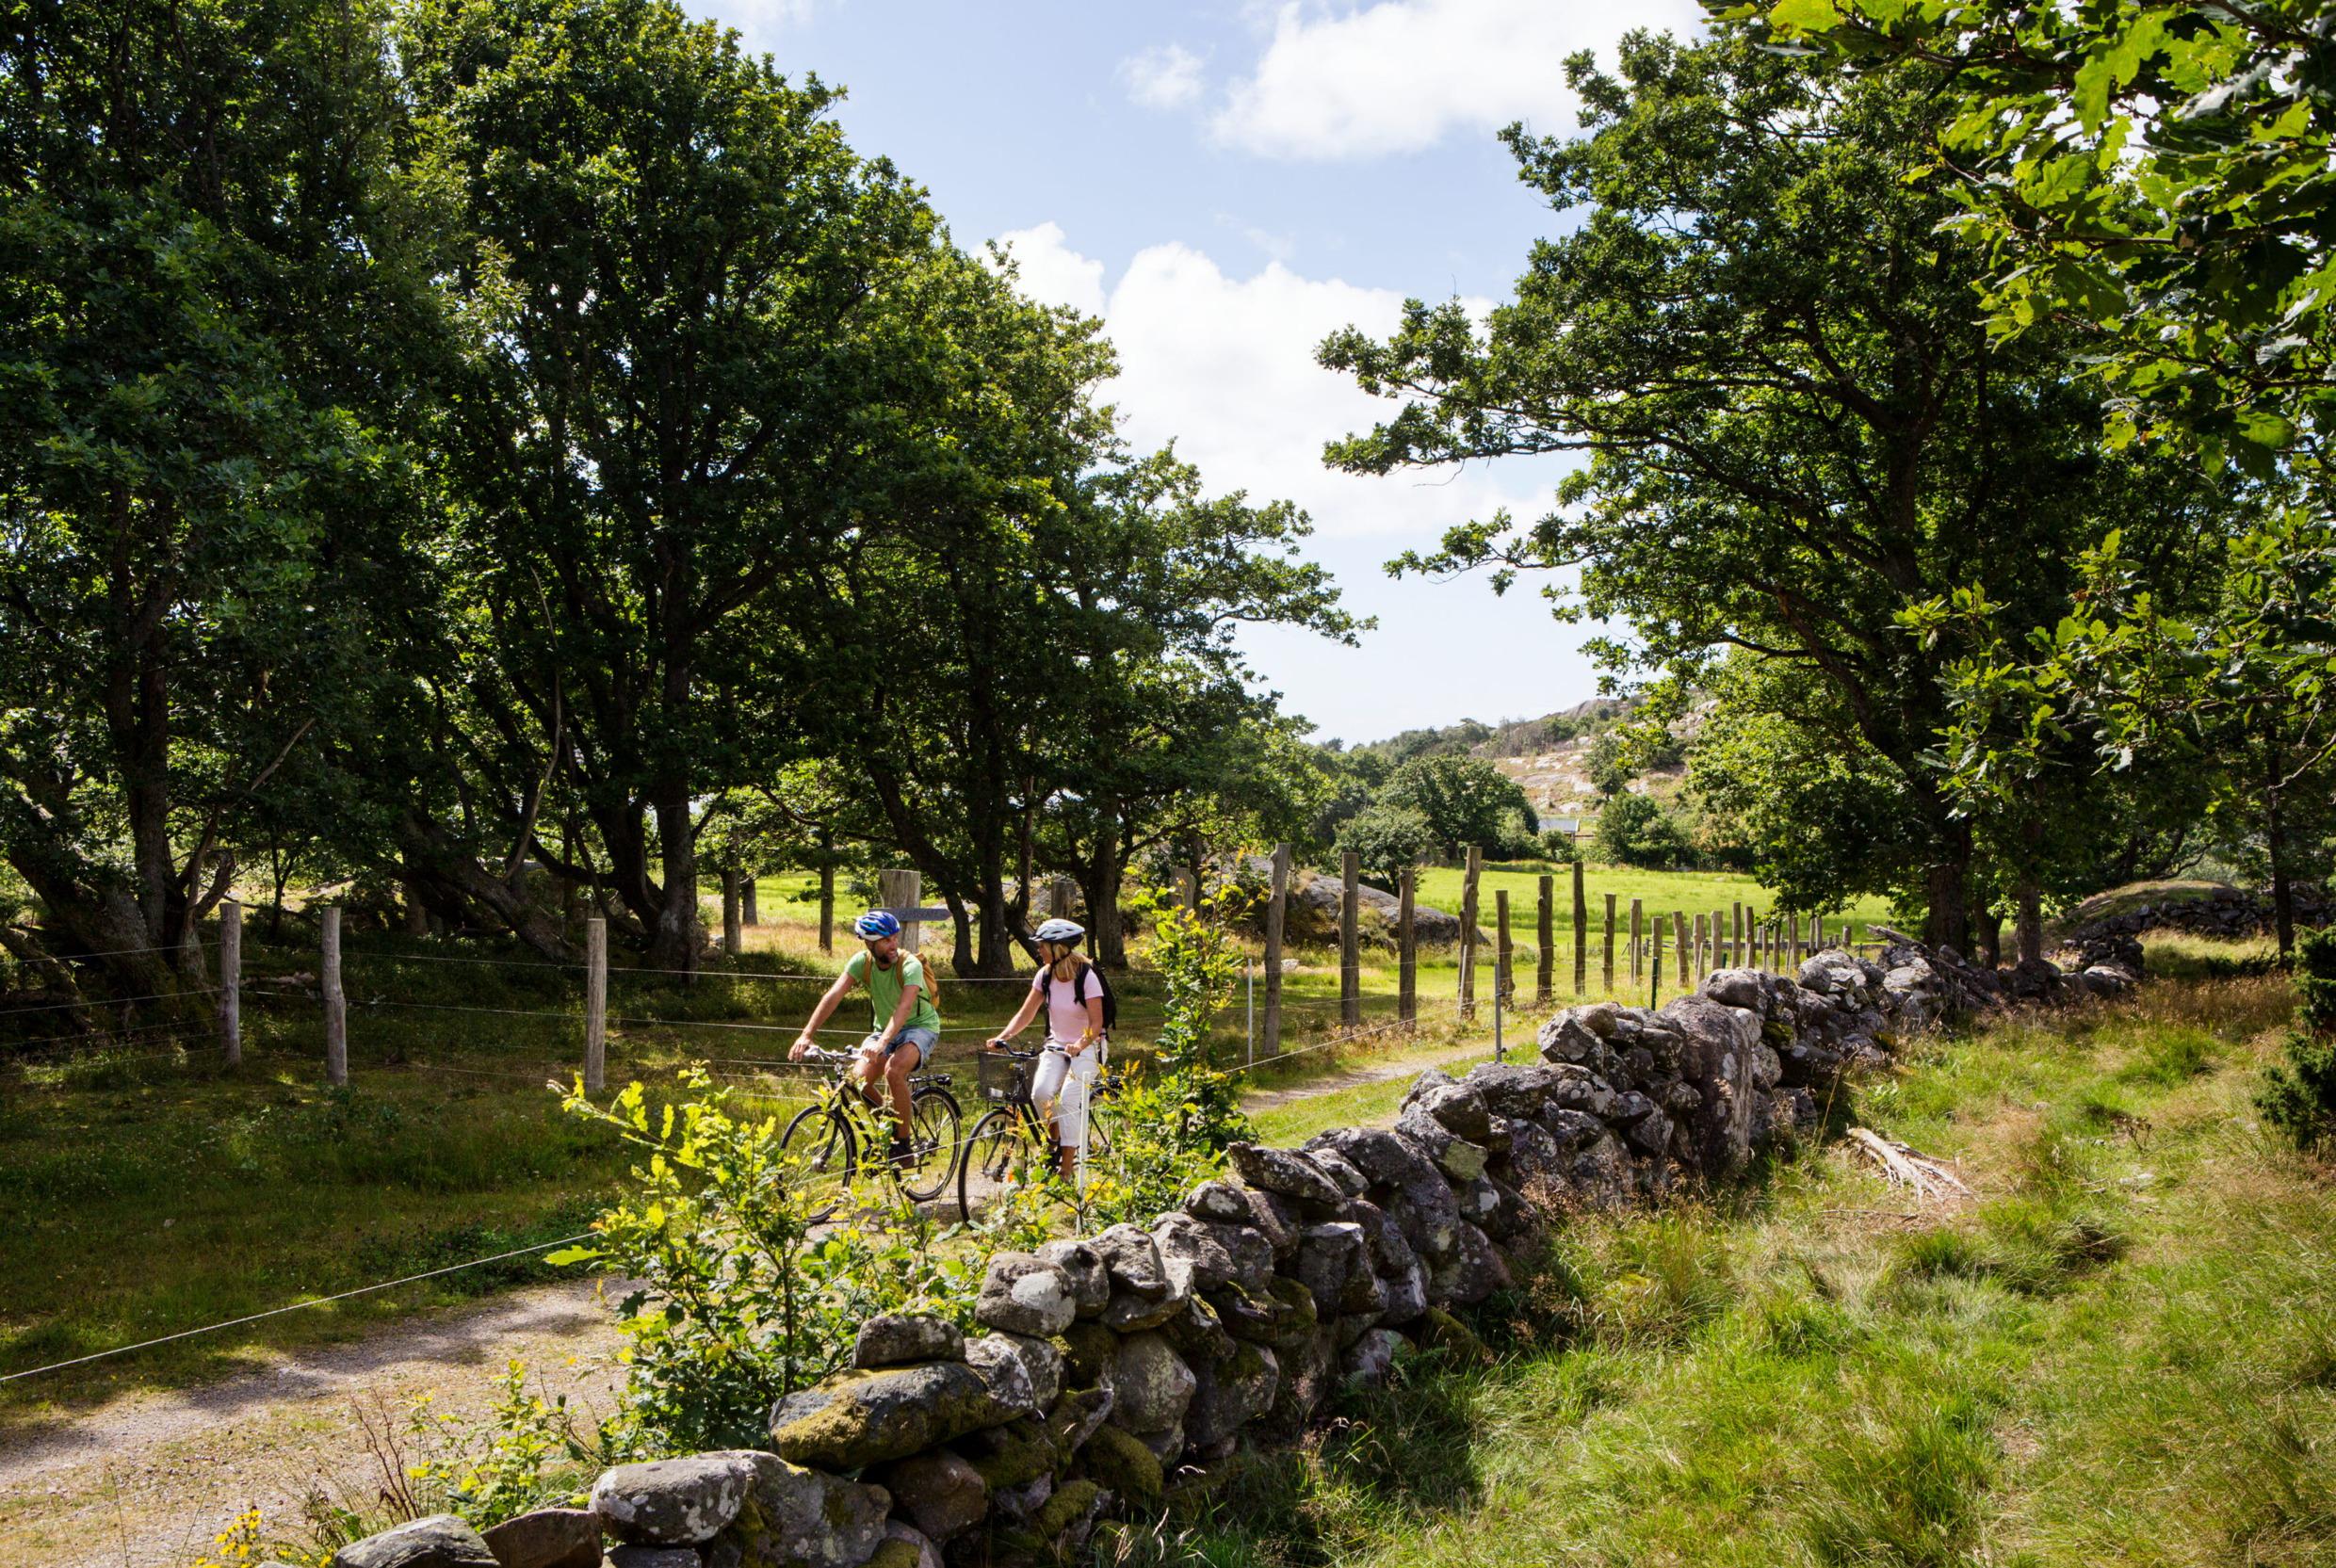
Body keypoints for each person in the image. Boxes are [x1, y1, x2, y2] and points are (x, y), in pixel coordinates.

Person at [790, 910, 940, 1165]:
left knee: (894, 1070)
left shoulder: (910, 964)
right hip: (883, 1030)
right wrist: (806, 1034)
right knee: (857, 1081)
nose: (893, 945)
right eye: (886, 941)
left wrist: (883, 1044)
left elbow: (904, 1009)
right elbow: (833, 996)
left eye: (895, 938)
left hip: (920, 1027)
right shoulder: (862, 963)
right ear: (869, 943)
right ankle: (890, 1125)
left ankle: (903, 1147)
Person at [984, 917, 1107, 1179]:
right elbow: (1026, 1013)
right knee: (1040, 1093)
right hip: (1057, 1045)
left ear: (1058, 947)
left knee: (1069, 1102)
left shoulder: (1087, 976)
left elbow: (1097, 1023)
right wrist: (1003, 1036)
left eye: (1042, 946)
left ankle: (1065, 1170)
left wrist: (1080, 1043)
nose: (1038, 950)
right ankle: (1056, 1139)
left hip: (1088, 1046)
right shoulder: (1046, 975)